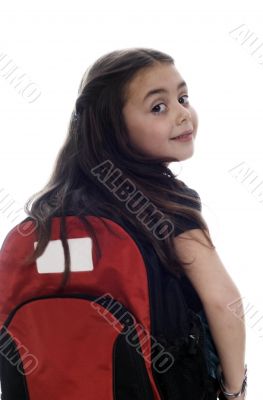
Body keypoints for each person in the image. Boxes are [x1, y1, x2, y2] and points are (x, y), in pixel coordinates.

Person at [0, 47, 247, 399]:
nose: (182, 114)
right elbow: (224, 302)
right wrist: (234, 389)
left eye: (183, 97)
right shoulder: (166, 205)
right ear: (113, 127)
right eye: (158, 107)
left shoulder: (46, 214)